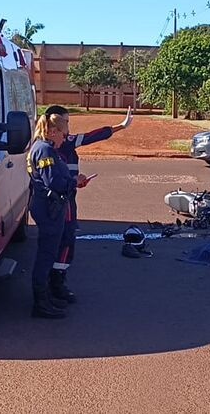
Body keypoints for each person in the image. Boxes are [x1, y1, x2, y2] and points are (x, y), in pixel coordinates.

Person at [42, 105, 133, 303]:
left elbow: (94, 135)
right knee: (62, 241)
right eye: (65, 122)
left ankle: (55, 281)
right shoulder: (49, 148)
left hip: (65, 197)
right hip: (57, 201)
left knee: (65, 240)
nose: (68, 128)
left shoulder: (62, 142)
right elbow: (52, 180)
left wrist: (121, 126)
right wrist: (73, 182)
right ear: (54, 126)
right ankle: (53, 285)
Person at [27, 112, 88, 318]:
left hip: (48, 206)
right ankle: (41, 303)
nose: (65, 137)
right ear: (53, 131)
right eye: (64, 133)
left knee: (49, 253)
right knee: (46, 255)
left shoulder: (44, 147)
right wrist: (74, 182)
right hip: (49, 208)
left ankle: (46, 297)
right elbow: (54, 183)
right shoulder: (45, 150)